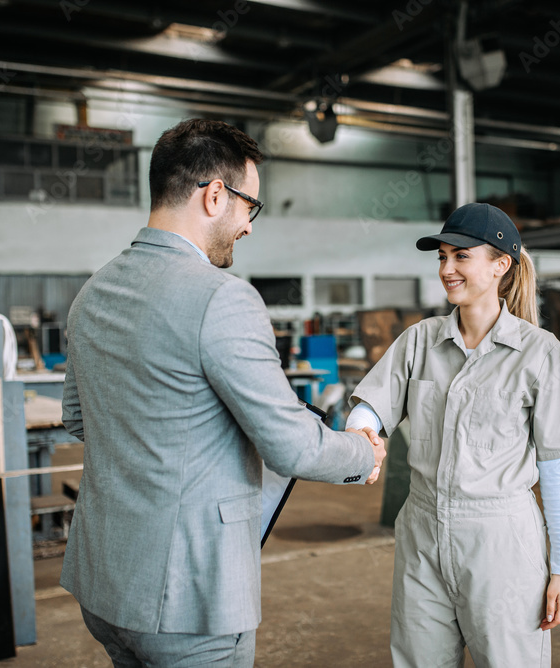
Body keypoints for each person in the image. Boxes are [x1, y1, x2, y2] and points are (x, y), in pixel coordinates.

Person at [61, 118, 386, 668]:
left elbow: (78, 418)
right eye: (249, 207)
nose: (249, 226)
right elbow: (293, 447)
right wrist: (362, 453)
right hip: (189, 601)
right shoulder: (223, 299)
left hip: (105, 585)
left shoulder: (94, 291)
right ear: (215, 195)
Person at [345, 202, 560, 667]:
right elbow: (370, 405)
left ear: (501, 265)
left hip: (501, 541)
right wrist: (363, 434)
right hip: (421, 534)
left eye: (461, 256)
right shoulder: (419, 341)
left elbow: (555, 468)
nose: (447, 269)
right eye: (442, 257)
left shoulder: (540, 354)